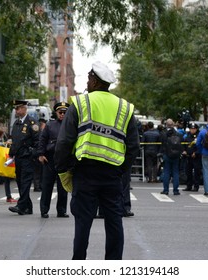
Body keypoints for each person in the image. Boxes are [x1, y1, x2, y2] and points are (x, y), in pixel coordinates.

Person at [54, 61, 140, 260]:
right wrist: (120, 170)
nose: (86, 81)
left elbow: (64, 141)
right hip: (112, 174)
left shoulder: (80, 103)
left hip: (85, 172)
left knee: (82, 223)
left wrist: (63, 169)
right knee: (114, 222)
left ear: (94, 80)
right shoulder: (125, 107)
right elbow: (133, 146)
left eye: (88, 78)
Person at [38, 102, 70, 218]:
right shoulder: (50, 125)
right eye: (60, 112)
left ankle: (61, 211)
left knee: (63, 187)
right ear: (56, 113)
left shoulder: (71, 125)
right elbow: (42, 140)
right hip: (50, 159)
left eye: (65, 112)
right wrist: (41, 154)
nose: (62, 114)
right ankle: (44, 210)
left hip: (64, 160)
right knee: (47, 186)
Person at [8, 100, 40, 215]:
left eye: (18, 108)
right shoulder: (17, 123)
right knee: (20, 182)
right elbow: (14, 141)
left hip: (27, 158)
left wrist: (33, 153)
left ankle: (20, 206)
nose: (16, 111)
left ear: (24, 109)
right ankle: (28, 207)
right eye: (15, 109)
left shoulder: (32, 122)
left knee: (25, 182)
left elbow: (37, 141)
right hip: (19, 158)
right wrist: (11, 154)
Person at [160, 118, 183, 195]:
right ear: (173, 124)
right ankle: (176, 190)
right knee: (175, 172)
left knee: (166, 172)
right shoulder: (178, 134)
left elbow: (162, 144)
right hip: (176, 155)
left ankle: (166, 190)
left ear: (166, 124)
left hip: (167, 154)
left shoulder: (163, 133)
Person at [182, 122, 201, 192]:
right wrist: (184, 151)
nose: (192, 130)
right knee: (188, 171)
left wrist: (196, 153)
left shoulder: (199, 136)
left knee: (197, 172)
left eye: (194, 129)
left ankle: (196, 186)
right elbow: (184, 144)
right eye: (191, 129)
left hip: (196, 156)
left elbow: (200, 146)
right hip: (188, 156)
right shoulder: (187, 136)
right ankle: (189, 185)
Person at [33, 118, 47, 192]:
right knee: (38, 171)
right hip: (37, 154)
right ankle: (37, 186)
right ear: (42, 125)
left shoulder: (40, 132)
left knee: (40, 171)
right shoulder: (40, 133)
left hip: (37, 153)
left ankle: (39, 185)